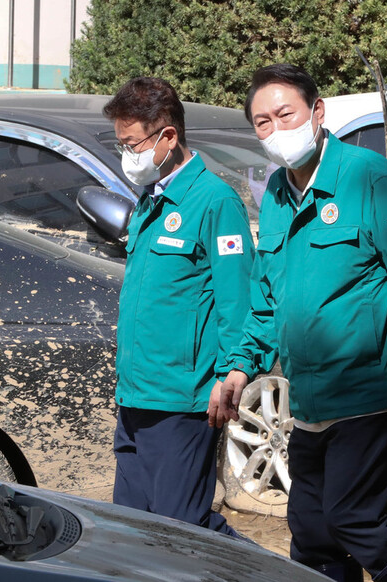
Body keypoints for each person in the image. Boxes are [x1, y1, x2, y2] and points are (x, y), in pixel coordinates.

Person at [210, 63, 387, 582]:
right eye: (262, 122)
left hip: (370, 388)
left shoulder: (366, 176)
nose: (276, 129)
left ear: (317, 111)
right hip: (310, 396)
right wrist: (241, 367)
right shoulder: (278, 195)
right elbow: (268, 295)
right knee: (309, 529)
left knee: (354, 519)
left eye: (286, 114)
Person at [103, 76, 255, 536]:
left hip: (182, 400)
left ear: (167, 136)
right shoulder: (149, 201)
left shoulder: (215, 201)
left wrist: (229, 372)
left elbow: (237, 299)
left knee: (182, 530)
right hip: (136, 393)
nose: (127, 156)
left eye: (132, 145)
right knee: (132, 530)